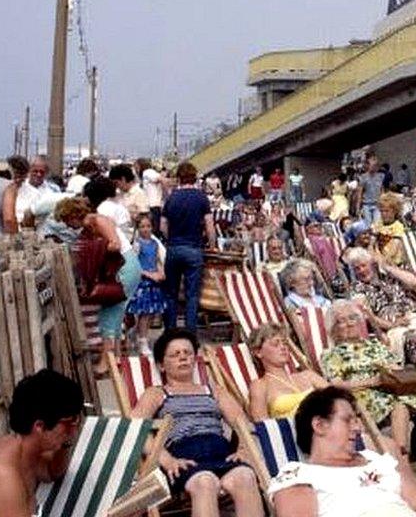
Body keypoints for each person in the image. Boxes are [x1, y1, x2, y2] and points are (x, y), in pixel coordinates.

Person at [132, 329, 263, 515]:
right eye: (175, 354)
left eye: (187, 353)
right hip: (183, 456)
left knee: (246, 476)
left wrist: (243, 449)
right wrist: (167, 460)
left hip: (221, 452)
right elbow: (136, 428)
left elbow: (242, 423)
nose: (183, 358)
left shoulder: (214, 390)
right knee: (205, 482)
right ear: (161, 365)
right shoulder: (156, 393)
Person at [267, 386, 416, 517]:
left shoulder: (378, 460)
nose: (358, 427)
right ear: (319, 425)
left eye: (357, 420)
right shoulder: (299, 474)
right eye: (348, 420)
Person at [320, 300, 416, 455]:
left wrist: (391, 370)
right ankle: (400, 459)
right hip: (364, 396)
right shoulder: (331, 354)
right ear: (334, 329)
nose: (349, 324)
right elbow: (336, 384)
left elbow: (396, 366)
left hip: (391, 388)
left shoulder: (374, 344)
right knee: (399, 405)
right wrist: (371, 381)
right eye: (342, 321)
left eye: (352, 318)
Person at [55, 193, 142, 368]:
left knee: (109, 312)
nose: (67, 225)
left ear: (73, 215)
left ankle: (106, 362)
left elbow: (115, 244)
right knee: (115, 311)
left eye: (66, 220)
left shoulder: (97, 221)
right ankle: (116, 357)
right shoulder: (91, 225)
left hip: (123, 266)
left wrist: (92, 248)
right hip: (121, 267)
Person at [0, 370, 84, 517]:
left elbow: (51, 472)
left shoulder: (26, 450)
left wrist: (65, 441)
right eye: (68, 424)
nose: (74, 431)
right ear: (40, 426)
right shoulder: (4, 477)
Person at [162, 160, 216, 330]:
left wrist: (172, 238)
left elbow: (163, 225)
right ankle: (191, 333)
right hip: (194, 248)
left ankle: (170, 331)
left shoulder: (171, 198)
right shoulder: (201, 197)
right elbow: (209, 225)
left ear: (179, 178)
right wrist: (212, 244)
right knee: (191, 295)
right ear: (194, 178)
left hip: (173, 249)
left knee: (171, 293)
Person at [248, 324, 327, 421]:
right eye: (275, 344)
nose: (283, 347)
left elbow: (339, 398)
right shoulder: (260, 386)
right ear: (258, 352)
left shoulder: (308, 375)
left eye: (285, 343)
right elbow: (264, 427)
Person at [127, 213, 166, 356]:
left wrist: (161, 272)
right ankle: (143, 341)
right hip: (144, 281)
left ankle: (137, 334)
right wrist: (150, 274)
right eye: (142, 226)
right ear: (138, 228)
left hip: (155, 281)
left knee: (151, 313)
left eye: (148, 226)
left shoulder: (155, 243)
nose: (145, 229)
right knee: (145, 313)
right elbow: (134, 264)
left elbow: (156, 260)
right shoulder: (137, 244)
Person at [137, 158, 165, 232]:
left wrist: (168, 192)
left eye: (136, 167)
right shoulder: (146, 174)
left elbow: (160, 179)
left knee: (152, 231)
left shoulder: (147, 172)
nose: (136, 169)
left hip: (152, 206)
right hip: (153, 206)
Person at [358, 155, 383, 225]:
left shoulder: (380, 177)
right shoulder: (363, 177)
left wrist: (382, 202)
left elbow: (382, 191)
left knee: (377, 224)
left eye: (375, 165)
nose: (373, 167)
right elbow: (360, 192)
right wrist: (358, 207)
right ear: (368, 166)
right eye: (372, 165)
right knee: (368, 224)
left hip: (377, 204)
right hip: (366, 204)